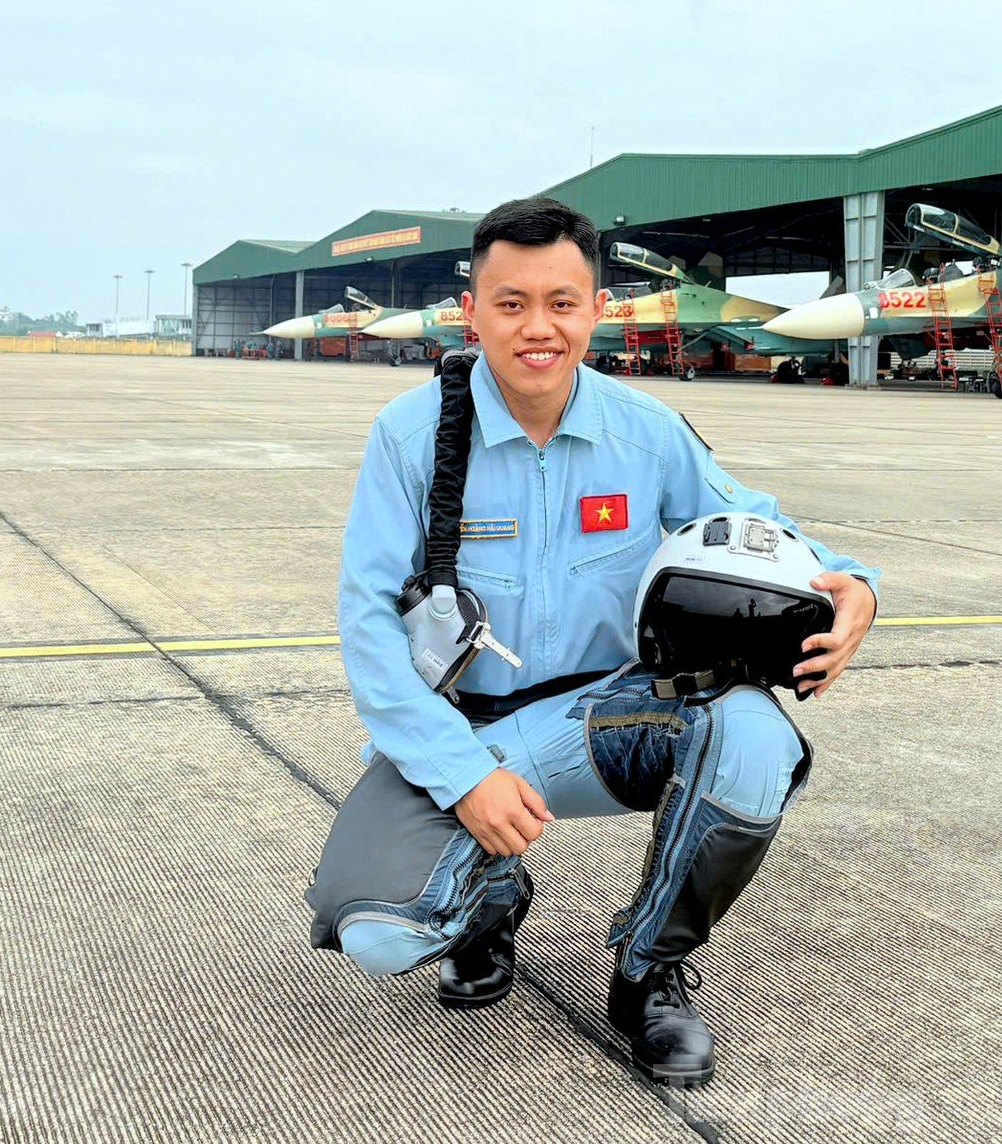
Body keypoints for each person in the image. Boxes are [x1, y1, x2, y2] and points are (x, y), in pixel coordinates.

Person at [305, 197, 879, 1087]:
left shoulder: (644, 431)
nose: (539, 328)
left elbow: (758, 527)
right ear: (474, 312)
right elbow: (370, 625)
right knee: (379, 932)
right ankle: (490, 899)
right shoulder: (413, 435)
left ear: (596, 309)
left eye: (562, 302)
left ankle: (648, 973)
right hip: (472, 733)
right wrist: (463, 778)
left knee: (754, 736)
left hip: (610, 721)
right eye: (511, 303)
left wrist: (856, 587)